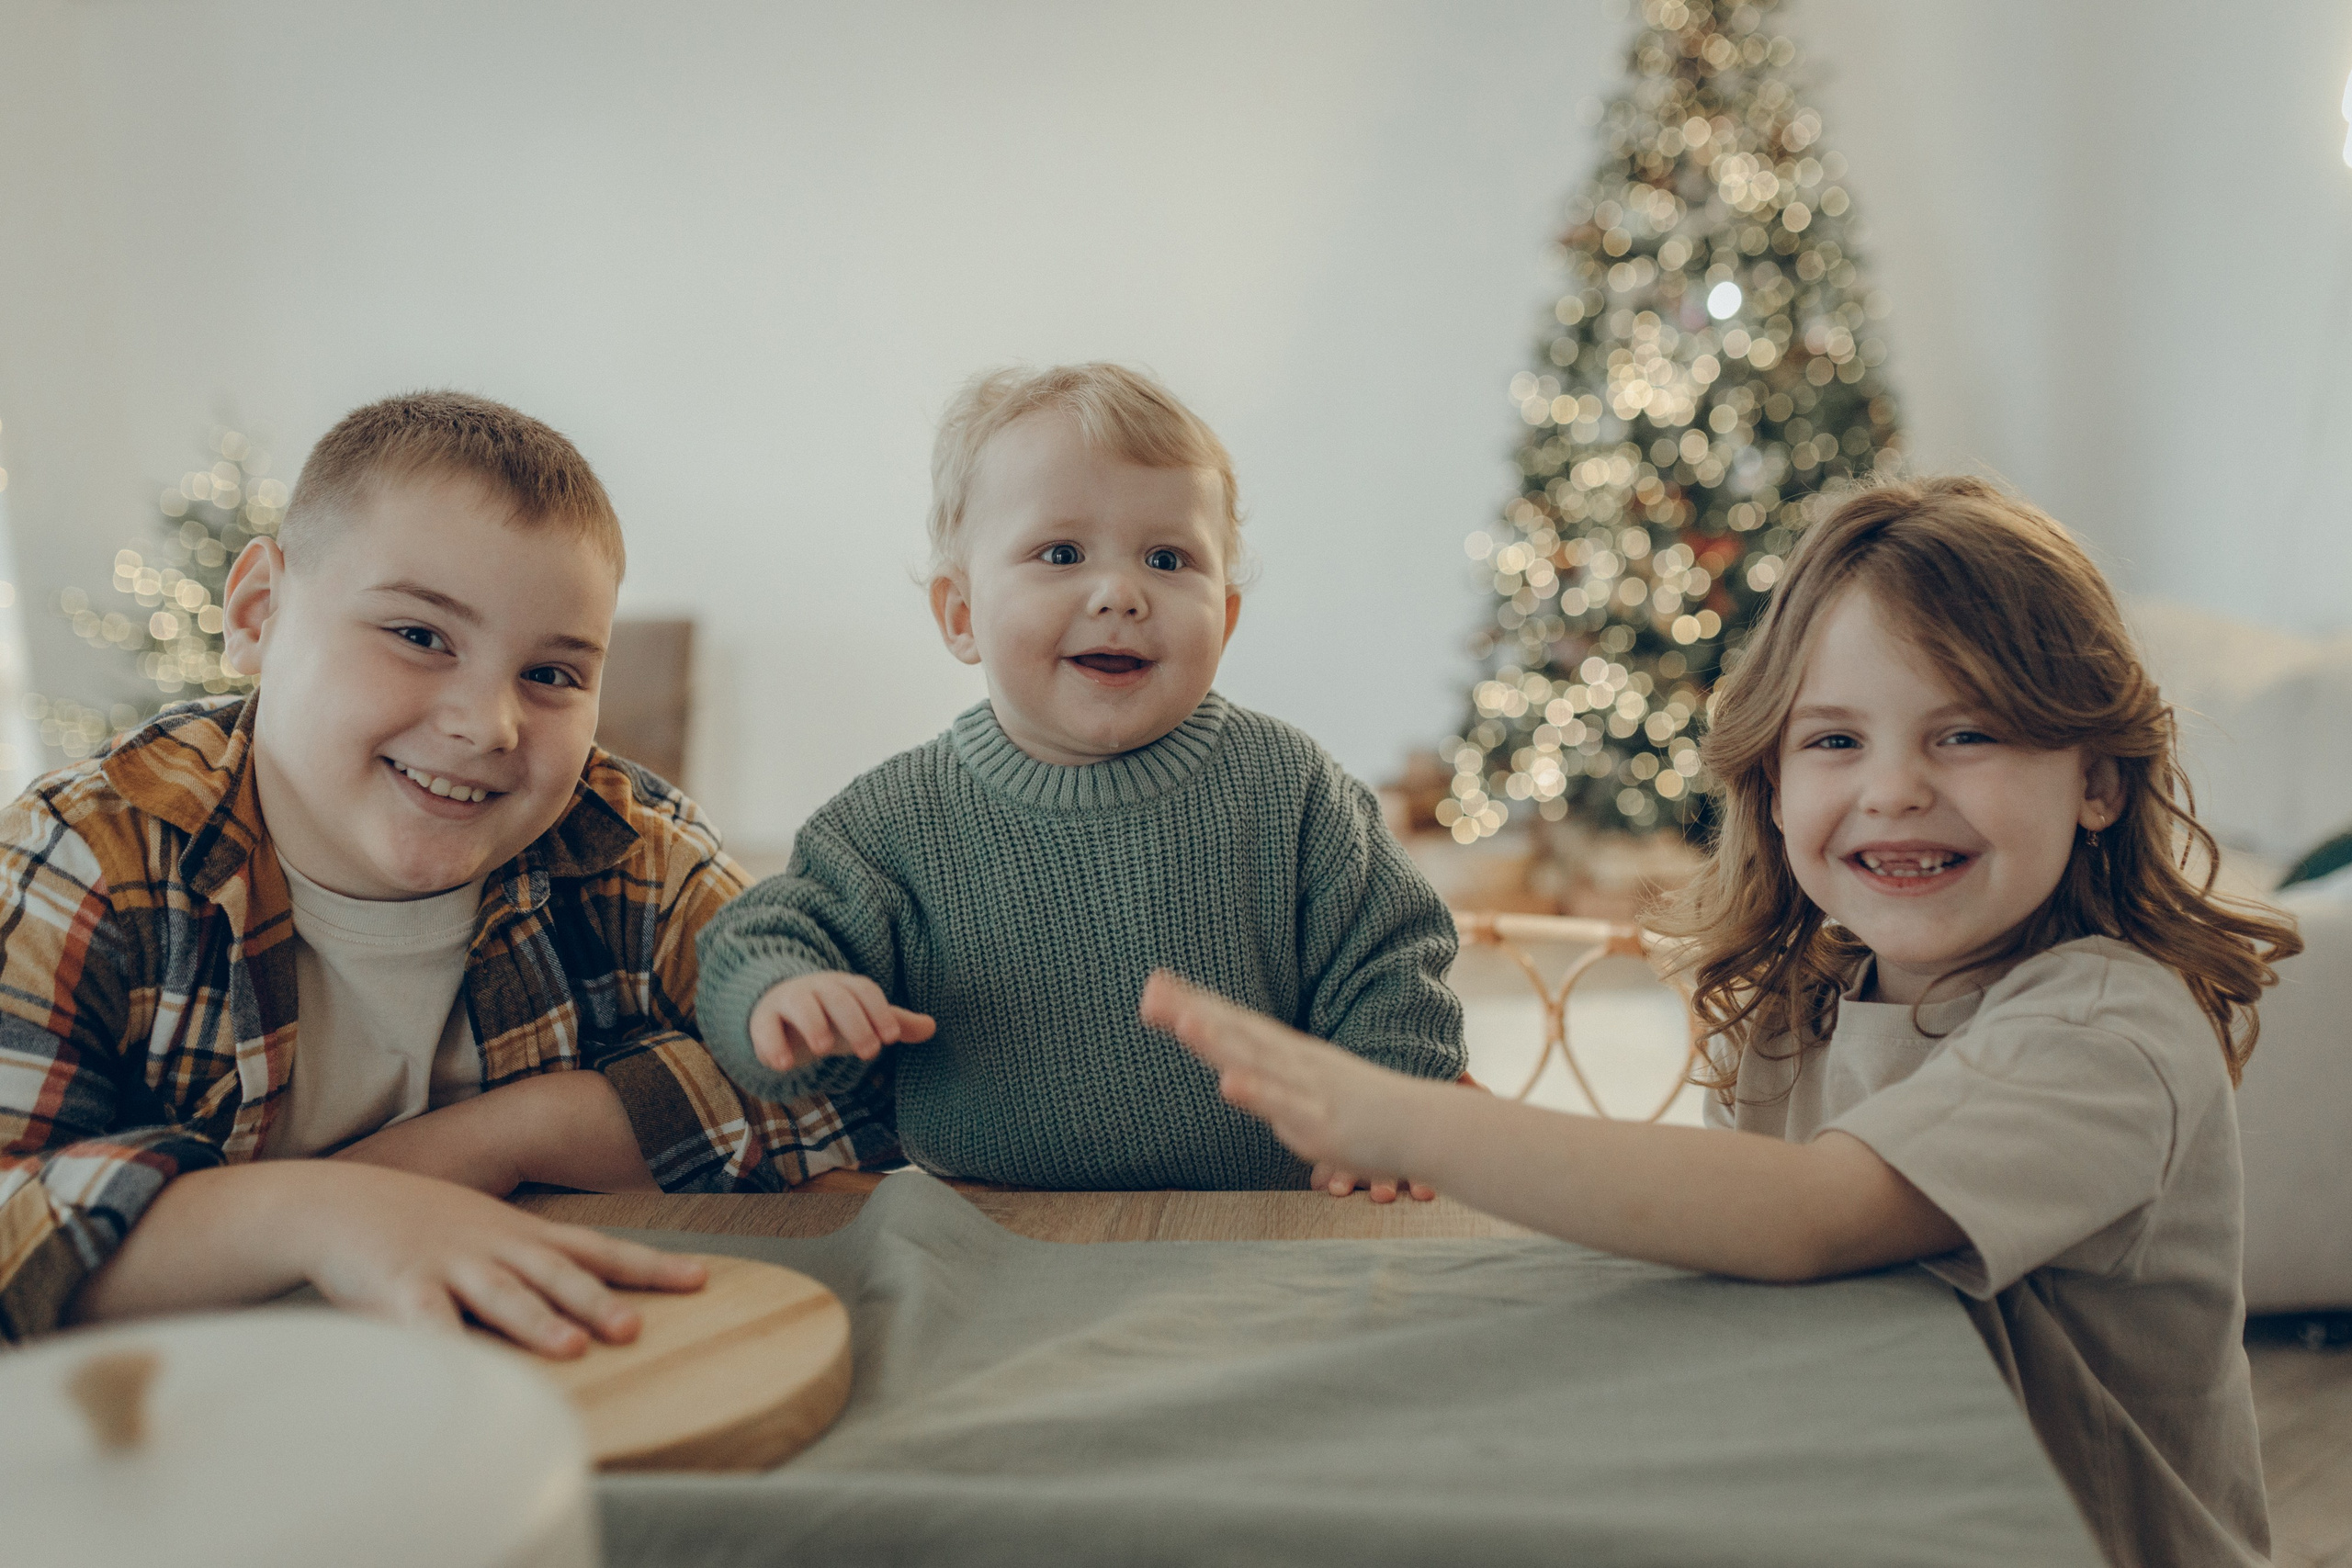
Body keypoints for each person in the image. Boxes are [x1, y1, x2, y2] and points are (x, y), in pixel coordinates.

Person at [1144, 475, 2298, 1568]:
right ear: (1774, 784)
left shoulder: (2107, 1027)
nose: (1894, 788)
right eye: (1835, 740)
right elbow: (1734, 1253)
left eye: (1967, 734)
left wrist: (1410, 1124)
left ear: (2097, 782)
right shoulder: (1798, 1009)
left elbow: (1806, 1218)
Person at [0, 391, 892, 1354]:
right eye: (419, 636)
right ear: (259, 613)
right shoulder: (85, 860)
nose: (487, 725)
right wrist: (323, 1211)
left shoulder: (625, 847)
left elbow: (861, 1087)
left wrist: (511, 1135)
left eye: (551, 675)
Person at [695, 363, 1464, 1193]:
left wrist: (1383, 1113)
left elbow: (1392, 964)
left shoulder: (1291, 788)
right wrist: (782, 997)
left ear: (1226, 617)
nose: (1120, 593)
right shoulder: (889, 823)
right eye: (1061, 553)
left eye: (1167, 558)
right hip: (981, 1224)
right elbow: (759, 938)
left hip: (1267, 1215)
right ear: (961, 614)